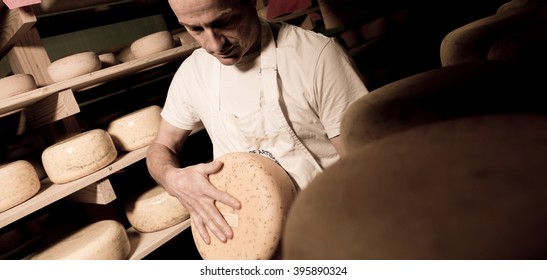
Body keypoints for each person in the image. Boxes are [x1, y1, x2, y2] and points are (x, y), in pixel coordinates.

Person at [146, 0, 369, 245]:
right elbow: (161, 146)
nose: (214, 44)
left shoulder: (316, 56)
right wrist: (171, 179)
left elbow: (363, 167)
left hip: (329, 230)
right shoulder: (193, 72)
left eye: (224, 22)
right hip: (250, 238)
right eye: (195, 29)